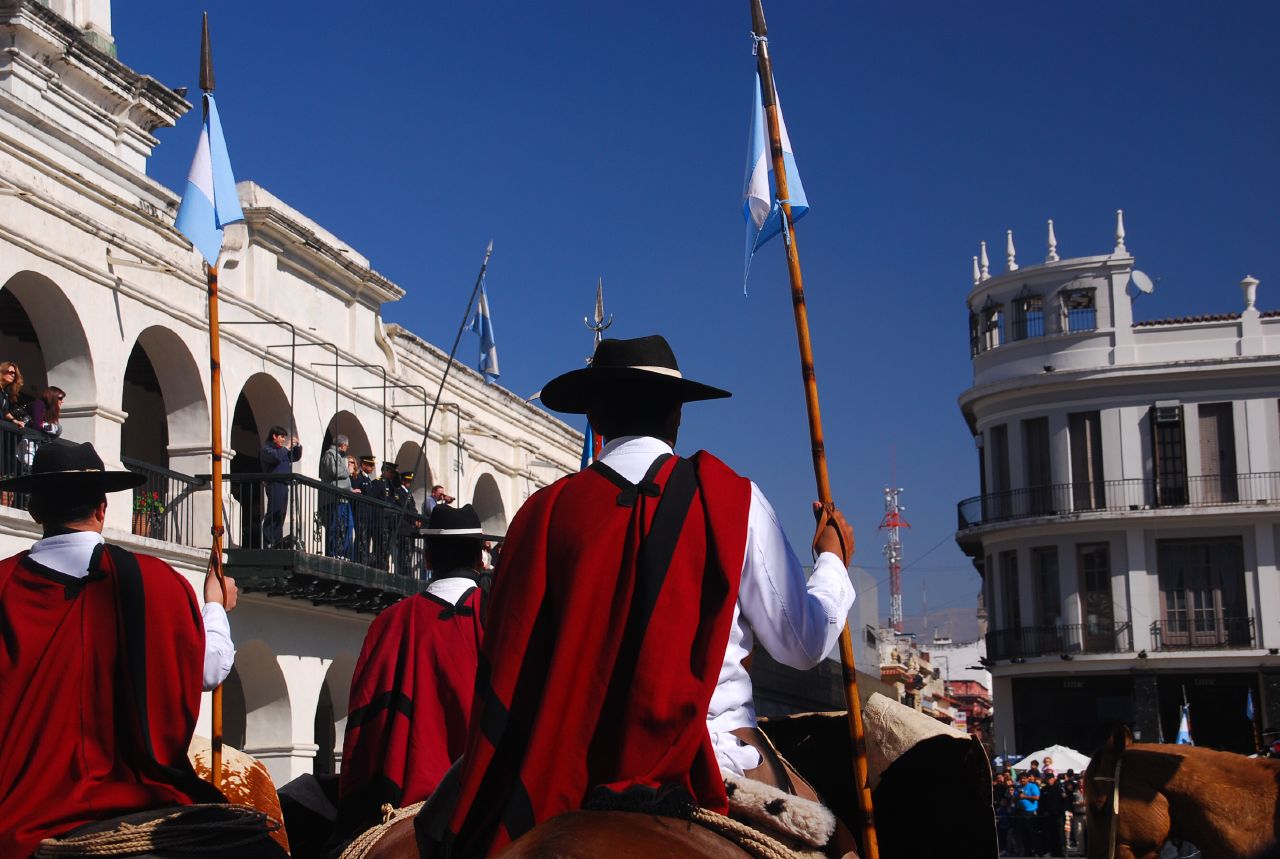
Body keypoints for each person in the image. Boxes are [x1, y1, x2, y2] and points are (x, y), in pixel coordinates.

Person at [428, 335, 856, 856]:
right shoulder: (729, 499)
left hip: (550, 772)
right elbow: (803, 643)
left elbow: (508, 665)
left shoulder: (537, 517)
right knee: (841, 845)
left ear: (595, 418)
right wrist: (831, 560)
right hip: (708, 756)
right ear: (678, 414)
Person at [0, 442, 280, 857]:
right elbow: (209, 668)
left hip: (17, 812)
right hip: (137, 791)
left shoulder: (4, 584)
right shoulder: (156, 582)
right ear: (102, 508)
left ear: (36, 512)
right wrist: (216, 607)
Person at [333, 503, 497, 847]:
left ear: (427, 559)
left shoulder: (389, 625)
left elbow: (365, 734)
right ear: (481, 560)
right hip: (490, 801)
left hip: (404, 804)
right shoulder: (501, 619)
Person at [259, 425, 301, 548]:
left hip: (283, 484)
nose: (283, 440)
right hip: (274, 484)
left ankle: (277, 541)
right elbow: (275, 457)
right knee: (273, 512)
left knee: (281, 513)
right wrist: (286, 447)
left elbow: (295, 456)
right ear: (274, 436)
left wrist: (297, 446)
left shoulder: (282, 451)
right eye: (282, 437)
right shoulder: (267, 449)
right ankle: (268, 541)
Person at [318, 434, 354, 559]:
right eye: (346, 446)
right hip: (335, 497)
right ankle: (334, 552)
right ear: (343, 445)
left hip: (344, 497)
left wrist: (351, 489)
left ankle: (342, 552)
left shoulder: (339, 456)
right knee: (336, 525)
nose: (347, 448)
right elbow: (333, 471)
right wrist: (348, 471)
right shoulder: (330, 454)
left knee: (348, 525)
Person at [350, 455, 376, 564]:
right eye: (369, 465)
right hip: (360, 512)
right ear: (363, 465)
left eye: (373, 465)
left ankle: (363, 559)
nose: (372, 467)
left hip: (368, 514)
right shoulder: (358, 477)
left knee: (365, 539)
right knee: (361, 537)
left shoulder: (368, 479)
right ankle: (358, 559)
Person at [1038, 773, 1066, 857]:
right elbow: (1041, 802)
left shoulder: (1059, 788)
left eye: (1050, 778)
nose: (1049, 780)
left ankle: (1060, 852)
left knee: (1059, 834)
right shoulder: (1044, 789)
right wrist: (1042, 811)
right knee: (1049, 834)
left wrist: (1061, 812)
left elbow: (1064, 801)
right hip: (1048, 815)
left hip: (1058, 815)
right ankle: (1051, 851)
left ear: (1054, 779)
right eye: (1047, 778)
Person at [1016, 772, 1041, 856]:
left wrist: (1025, 797)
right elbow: (1016, 797)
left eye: (1024, 778)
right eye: (1021, 778)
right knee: (1023, 833)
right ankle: (1027, 851)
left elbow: (1037, 797)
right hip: (1021, 812)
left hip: (1030, 812)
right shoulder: (1018, 787)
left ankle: (1035, 851)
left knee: (1032, 833)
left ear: (1027, 779)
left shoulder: (1032, 786)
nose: (1022, 780)